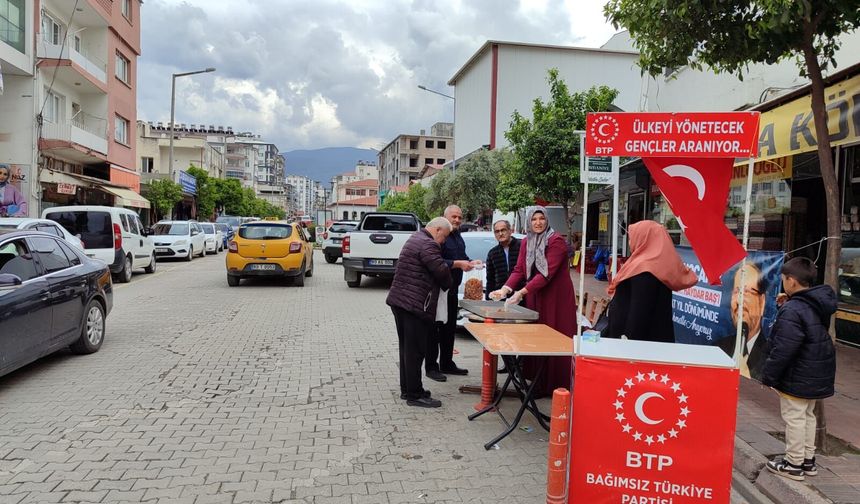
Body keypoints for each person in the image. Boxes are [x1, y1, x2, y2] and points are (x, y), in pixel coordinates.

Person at [489, 206, 576, 396]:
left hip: (556, 298)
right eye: (534, 219)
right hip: (536, 295)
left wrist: (521, 292)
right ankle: (538, 382)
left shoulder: (556, 241)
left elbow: (546, 274)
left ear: (547, 220)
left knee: (554, 336)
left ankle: (557, 386)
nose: (538, 222)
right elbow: (519, 269)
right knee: (536, 337)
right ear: (529, 221)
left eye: (541, 218)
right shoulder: (527, 241)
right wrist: (505, 289)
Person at [762, 257, 836, 481]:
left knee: (794, 417)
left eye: (784, 279)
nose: (783, 282)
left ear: (791, 281)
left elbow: (784, 347)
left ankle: (793, 463)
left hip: (798, 372)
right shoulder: (816, 303)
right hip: (816, 370)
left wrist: (769, 375)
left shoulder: (794, 309)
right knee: (807, 415)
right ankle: (807, 460)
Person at [386, 217, 453, 408]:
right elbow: (441, 272)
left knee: (407, 349)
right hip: (413, 305)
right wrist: (450, 282)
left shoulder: (416, 238)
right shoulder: (428, 244)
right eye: (444, 237)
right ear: (438, 230)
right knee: (415, 351)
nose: (443, 241)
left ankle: (408, 389)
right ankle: (415, 395)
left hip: (401, 302)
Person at [603, 220, 698, 342]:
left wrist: (627, 343)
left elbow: (639, 315)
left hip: (637, 347)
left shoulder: (646, 270)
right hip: (648, 342)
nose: (630, 241)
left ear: (645, 238)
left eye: (632, 237)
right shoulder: (655, 265)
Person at [426, 205, 478, 382]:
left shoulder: (458, 237)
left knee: (449, 330)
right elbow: (436, 261)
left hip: (452, 290)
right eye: (454, 217)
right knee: (434, 331)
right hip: (438, 291)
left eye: (460, 217)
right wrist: (458, 264)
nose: (457, 220)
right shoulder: (440, 236)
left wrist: (471, 262)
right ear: (445, 217)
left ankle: (447, 363)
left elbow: (461, 256)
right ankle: (431, 367)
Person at [718, 262, 771, 380]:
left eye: (746, 292)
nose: (739, 300)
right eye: (736, 292)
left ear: (761, 302)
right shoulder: (719, 348)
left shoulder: (771, 354)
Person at [485, 219, 521, 299]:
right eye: (497, 231)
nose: (500, 234)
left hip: (521, 295)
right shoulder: (492, 253)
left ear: (510, 231)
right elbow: (490, 280)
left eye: (503, 230)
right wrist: (488, 301)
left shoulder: (522, 246)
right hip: (501, 297)